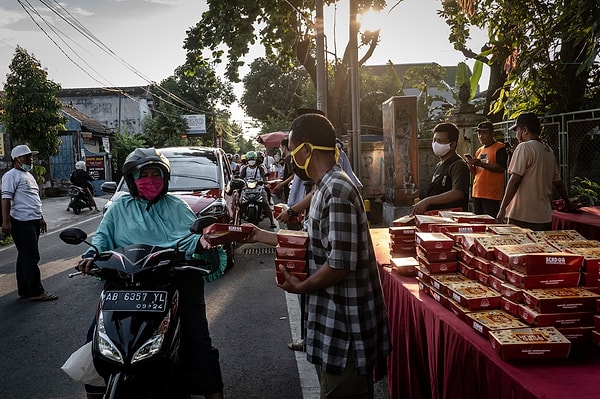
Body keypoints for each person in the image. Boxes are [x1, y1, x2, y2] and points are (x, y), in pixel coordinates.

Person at [247, 113, 391, 398]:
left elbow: (339, 264)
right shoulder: (323, 187)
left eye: (290, 148)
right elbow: (312, 243)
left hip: (345, 328)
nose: (288, 157)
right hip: (330, 324)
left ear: (306, 150)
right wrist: (259, 235)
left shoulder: (335, 190)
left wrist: (301, 287)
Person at [76, 148, 223, 399]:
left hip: (172, 279)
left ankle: (214, 394)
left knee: (198, 340)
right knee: (96, 338)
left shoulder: (177, 206)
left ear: (166, 179)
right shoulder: (118, 207)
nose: (152, 179)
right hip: (125, 282)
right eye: (145, 174)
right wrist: (91, 255)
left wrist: (202, 242)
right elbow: (102, 238)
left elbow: (190, 237)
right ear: (133, 178)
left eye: (157, 174)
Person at [497, 112, 575, 230]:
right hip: (544, 216)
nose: (516, 135)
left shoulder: (524, 147)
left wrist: (502, 208)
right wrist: (568, 202)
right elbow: (558, 183)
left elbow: (514, 180)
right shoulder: (548, 150)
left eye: (517, 130)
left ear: (525, 130)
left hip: (523, 215)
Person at [1, 144, 57, 301]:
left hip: (32, 220)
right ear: (17, 159)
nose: (30, 159)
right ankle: (36, 291)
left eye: (31, 156)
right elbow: (6, 199)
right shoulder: (10, 176)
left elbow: (33, 199)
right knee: (31, 256)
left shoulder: (28, 175)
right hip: (20, 221)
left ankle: (25, 289)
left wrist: (41, 218)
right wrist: (6, 221)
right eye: (27, 157)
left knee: (24, 256)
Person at [413, 122, 470, 214]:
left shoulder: (458, 165)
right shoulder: (439, 165)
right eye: (434, 140)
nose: (435, 144)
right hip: (436, 216)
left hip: (451, 219)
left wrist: (428, 201)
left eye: (440, 141)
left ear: (452, 145)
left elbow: (457, 193)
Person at [465, 121, 508, 217]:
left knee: (490, 221)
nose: (481, 136)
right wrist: (470, 164)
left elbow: (500, 167)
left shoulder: (500, 147)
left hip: (491, 194)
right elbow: (476, 173)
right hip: (477, 192)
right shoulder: (479, 150)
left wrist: (480, 163)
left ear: (492, 133)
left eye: (484, 133)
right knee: (478, 222)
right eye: (479, 133)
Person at [239, 151, 276, 228]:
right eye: (250, 159)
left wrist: (265, 181)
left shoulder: (260, 168)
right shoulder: (245, 169)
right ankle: (237, 220)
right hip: (247, 189)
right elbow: (241, 178)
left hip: (259, 188)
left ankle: (272, 221)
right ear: (247, 160)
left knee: (265, 204)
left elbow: (264, 177)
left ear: (256, 159)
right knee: (241, 205)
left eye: (253, 159)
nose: (251, 161)